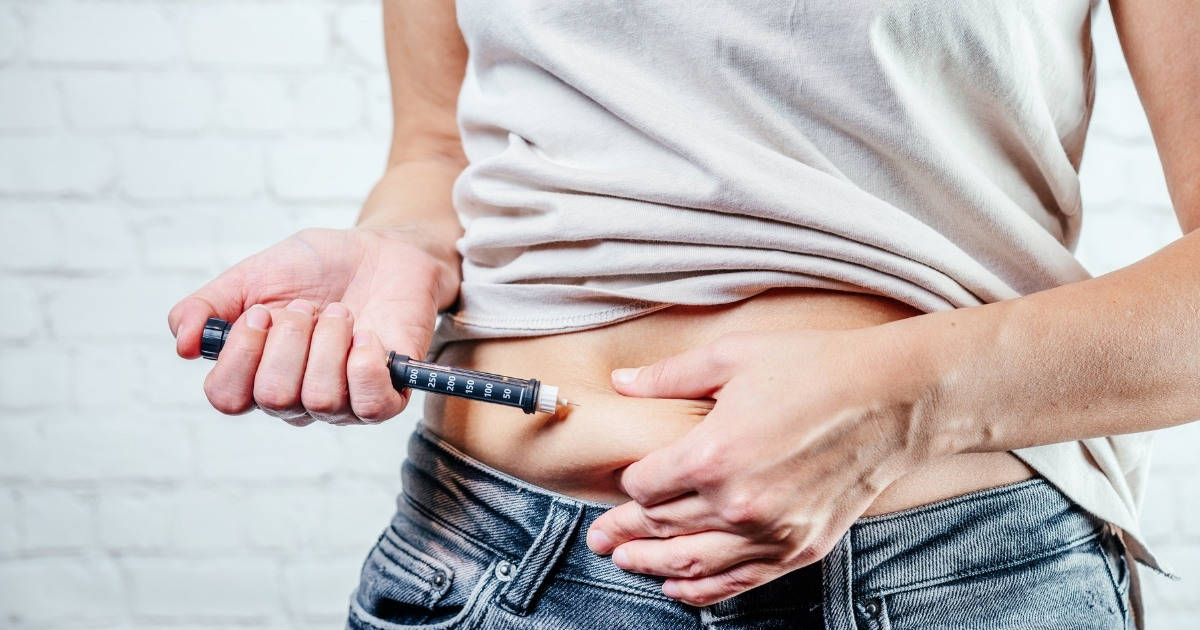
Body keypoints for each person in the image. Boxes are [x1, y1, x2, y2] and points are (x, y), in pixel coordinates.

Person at [167, 1, 1196, 628]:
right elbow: (435, 151)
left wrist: (905, 404)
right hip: (480, 559)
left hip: (944, 583)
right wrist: (401, 250)